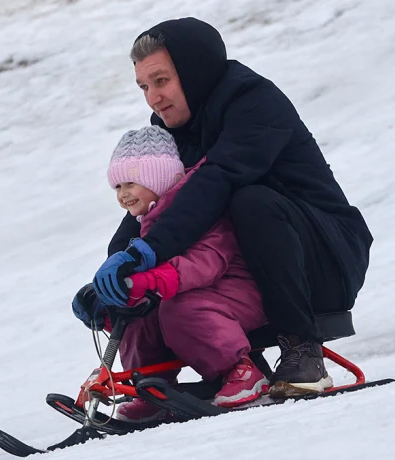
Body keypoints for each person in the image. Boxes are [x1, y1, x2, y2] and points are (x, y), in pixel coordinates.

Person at [93, 17, 373, 397]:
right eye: (144, 86)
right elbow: (152, 205)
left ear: (194, 72)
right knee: (163, 266)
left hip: (324, 259)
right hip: (240, 271)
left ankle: (302, 350)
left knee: (249, 199)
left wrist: (151, 249)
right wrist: (117, 268)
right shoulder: (169, 128)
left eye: (162, 81)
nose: (153, 98)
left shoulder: (254, 103)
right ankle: (180, 382)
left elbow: (218, 179)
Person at [73, 126, 270, 420]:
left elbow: (207, 261)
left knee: (180, 309)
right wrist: (109, 299)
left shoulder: (196, 206)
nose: (123, 195)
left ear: (160, 177)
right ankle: (151, 389)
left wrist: (151, 280)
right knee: (139, 313)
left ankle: (240, 370)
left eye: (130, 183)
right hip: (194, 294)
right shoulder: (145, 220)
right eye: (117, 187)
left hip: (238, 292)